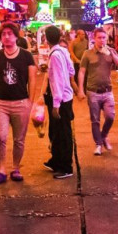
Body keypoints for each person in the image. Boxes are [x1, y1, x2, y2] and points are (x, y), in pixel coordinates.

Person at [0, 22, 37, 184]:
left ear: (16, 36)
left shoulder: (26, 56)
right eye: (3, 34)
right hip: (0, 103)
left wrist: (30, 101)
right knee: (0, 136)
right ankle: (1, 169)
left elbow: (32, 79)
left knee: (19, 139)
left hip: (21, 102)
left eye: (10, 33)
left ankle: (16, 168)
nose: (6, 36)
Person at [78, 28, 118, 156]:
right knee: (95, 120)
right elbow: (82, 72)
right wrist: (80, 89)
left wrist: (112, 54)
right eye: (99, 37)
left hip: (107, 91)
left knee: (110, 116)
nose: (102, 40)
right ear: (94, 38)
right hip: (93, 91)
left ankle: (103, 136)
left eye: (104, 37)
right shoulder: (87, 54)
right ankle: (98, 144)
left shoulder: (110, 51)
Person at [43, 25, 76, 179]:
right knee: (56, 131)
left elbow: (57, 80)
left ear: (46, 39)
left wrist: (56, 104)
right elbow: (71, 71)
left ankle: (66, 167)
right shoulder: (63, 51)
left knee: (63, 133)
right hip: (65, 97)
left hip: (61, 99)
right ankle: (56, 161)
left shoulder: (56, 55)